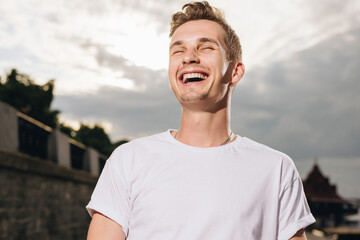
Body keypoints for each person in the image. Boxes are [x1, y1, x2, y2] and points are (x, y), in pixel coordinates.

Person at [86, 1, 315, 239]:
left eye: (205, 47)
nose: (189, 58)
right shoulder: (127, 161)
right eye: (178, 50)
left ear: (234, 71)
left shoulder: (277, 169)